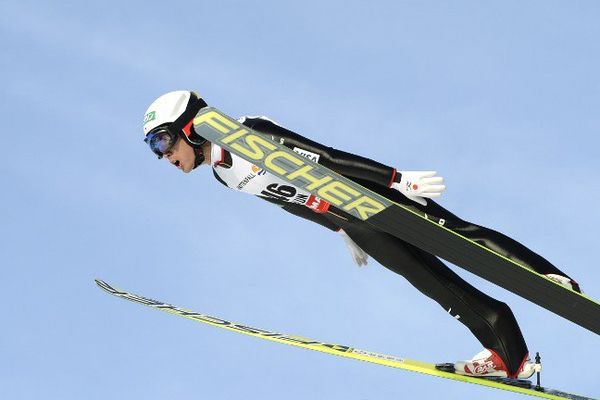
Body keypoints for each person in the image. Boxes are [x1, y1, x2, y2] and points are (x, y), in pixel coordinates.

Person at [142, 90, 581, 379]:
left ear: (187, 127)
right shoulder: (223, 176)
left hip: (368, 194)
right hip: (351, 220)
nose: (164, 157)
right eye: (154, 150)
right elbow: (288, 201)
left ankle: (547, 277)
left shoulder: (249, 133)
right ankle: (509, 352)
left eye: (162, 142)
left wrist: (394, 179)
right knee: (434, 284)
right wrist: (338, 229)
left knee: (459, 236)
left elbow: (327, 159)